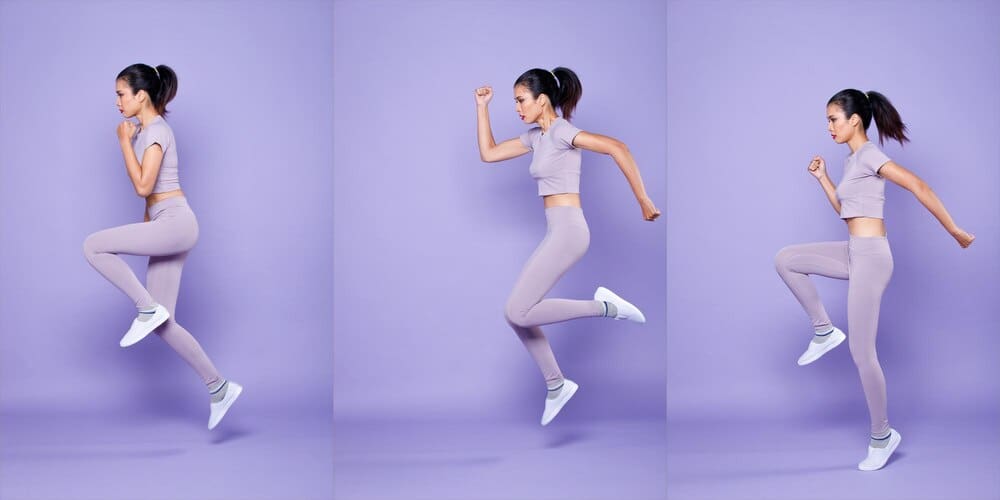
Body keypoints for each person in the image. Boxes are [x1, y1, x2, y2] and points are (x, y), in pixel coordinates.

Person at [775, 89, 974, 470]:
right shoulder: (852, 161)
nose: (828, 127)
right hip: (854, 250)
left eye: (833, 119)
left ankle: (882, 436)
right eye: (827, 120)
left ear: (854, 120)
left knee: (862, 354)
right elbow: (846, 212)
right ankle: (823, 330)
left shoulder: (870, 156)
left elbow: (919, 186)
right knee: (786, 259)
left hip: (872, 258)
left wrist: (954, 230)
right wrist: (823, 179)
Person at [474, 67, 661, 426]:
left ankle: (607, 307)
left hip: (570, 231)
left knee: (518, 311)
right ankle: (556, 385)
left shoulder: (561, 132)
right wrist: (481, 107)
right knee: (518, 315)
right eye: (515, 101)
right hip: (555, 230)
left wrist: (642, 199)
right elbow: (489, 153)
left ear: (541, 99)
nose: (516, 107)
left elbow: (617, 147)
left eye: (520, 100)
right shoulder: (536, 138)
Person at [83, 63, 243, 430]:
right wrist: (147, 221)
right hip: (167, 222)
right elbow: (150, 195)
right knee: (164, 322)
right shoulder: (148, 130)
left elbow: (143, 184)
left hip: (176, 223)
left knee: (93, 246)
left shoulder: (154, 132)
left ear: (141, 95)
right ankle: (219, 388)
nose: (117, 102)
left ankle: (144, 308)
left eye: (121, 94)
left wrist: (123, 142)